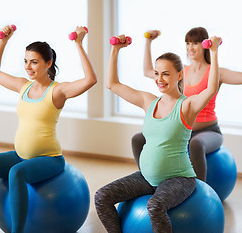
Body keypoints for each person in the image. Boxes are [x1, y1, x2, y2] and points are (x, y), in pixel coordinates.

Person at [95, 34, 221, 233]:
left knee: (154, 206)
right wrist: (115, 50)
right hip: (147, 177)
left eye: (166, 74)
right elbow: (112, 84)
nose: (159, 79)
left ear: (179, 75)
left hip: (178, 179)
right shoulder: (149, 101)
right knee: (102, 196)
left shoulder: (187, 105)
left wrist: (213, 52)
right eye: (156, 73)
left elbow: (211, 88)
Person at [0, 25, 96, 233]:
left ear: (49, 63)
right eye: (26, 61)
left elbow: (91, 80)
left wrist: (79, 44)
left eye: (34, 62)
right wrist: (3, 41)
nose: (28, 67)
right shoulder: (23, 86)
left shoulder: (57, 91)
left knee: (16, 173)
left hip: (49, 159)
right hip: (20, 155)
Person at [131, 27, 242, 181]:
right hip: (180, 131)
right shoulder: (182, 71)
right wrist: (148, 42)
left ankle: (199, 190)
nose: (190, 47)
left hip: (208, 131)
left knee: (196, 144)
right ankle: (147, 179)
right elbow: (148, 71)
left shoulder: (215, 72)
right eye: (187, 43)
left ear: (205, 45)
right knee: (138, 139)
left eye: (195, 43)